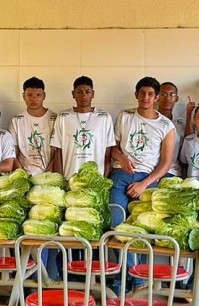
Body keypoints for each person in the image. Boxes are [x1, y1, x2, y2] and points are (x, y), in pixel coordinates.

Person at [110, 76, 176, 224]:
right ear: (136, 95)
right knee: (116, 222)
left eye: (150, 94)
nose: (145, 97)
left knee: (142, 225)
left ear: (157, 98)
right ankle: (116, 248)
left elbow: (166, 163)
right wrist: (122, 159)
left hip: (147, 178)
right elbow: (112, 148)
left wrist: (144, 184)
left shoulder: (167, 126)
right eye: (142, 93)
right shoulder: (125, 116)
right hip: (121, 174)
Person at [51, 76, 115, 178]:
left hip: (95, 179)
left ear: (93, 94)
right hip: (69, 178)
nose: (83, 96)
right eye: (79, 92)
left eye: (87, 92)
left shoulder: (104, 117)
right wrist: (60, 179)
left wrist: (104, 177)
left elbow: (108, 152)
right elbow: (58, 151)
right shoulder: (63, 116)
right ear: (73, 94)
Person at [7, 77, 56, 175]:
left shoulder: (55, 119)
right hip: (24, 174)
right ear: (23, 96)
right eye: (29, 95)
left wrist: (47, 175)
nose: (34, 99)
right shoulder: (16, 120)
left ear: (44, 96)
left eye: (38, 95)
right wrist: (22, 174)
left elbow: (59, 152)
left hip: (49, 175)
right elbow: (13, 153)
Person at [157, 81, 187, 178]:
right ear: (157, 97)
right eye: (163, 94)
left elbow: (188, 145)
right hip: (150, 170)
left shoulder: (180, 123)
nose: (167, 98)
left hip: (172, 172)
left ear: (176, 99)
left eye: (172, 94)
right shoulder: (149, 120)